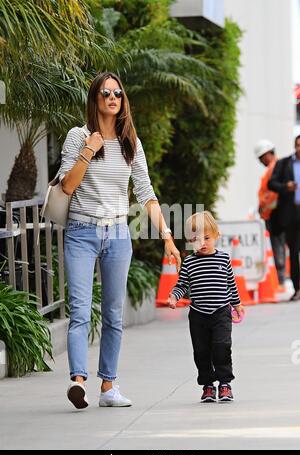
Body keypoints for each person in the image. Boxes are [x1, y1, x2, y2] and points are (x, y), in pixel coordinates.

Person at [58, 72, 181, 409]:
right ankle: (78, 381)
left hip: (118, 235)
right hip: (81, 232)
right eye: (105, 92)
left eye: (118, 93)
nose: (113, 98)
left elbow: (146, 193)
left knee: (113, 313)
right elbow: (67, 186)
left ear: (123, 100)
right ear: (94, 98)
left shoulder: (131, 143)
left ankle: (108, 387)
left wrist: (167, 238)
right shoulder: (77, 136)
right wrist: (88, 151)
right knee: (80, 311)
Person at [168, 211, 245, 403]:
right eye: (195, 239)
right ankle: (208, 386)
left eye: (207, 238)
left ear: (216, 236)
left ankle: (225, 384)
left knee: (222, 347)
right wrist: (174, 297)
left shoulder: (223, 259)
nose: (201, 243)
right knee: (201, 351)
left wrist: (237, 304)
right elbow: (182, 285)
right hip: (198, 315)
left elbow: (231, 284)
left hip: (221, 312)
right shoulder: (190, 263)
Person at [268, 135, 300, 301]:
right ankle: (297, 289)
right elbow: (271, 183)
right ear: (295, 146)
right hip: (291, 214)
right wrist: (285, 187)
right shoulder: (284, 163)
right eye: (298, 146)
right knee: (294, 252)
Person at [254, 139, 286, 291]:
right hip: (274, 213)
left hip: (276, 214)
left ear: (267, 154)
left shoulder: (276, 168)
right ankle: (281, 281)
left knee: (278, 247)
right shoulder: (275, 168)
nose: (261, 162)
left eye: (261, 158)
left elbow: (272, 193)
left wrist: (264, 207)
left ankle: (280, 281)